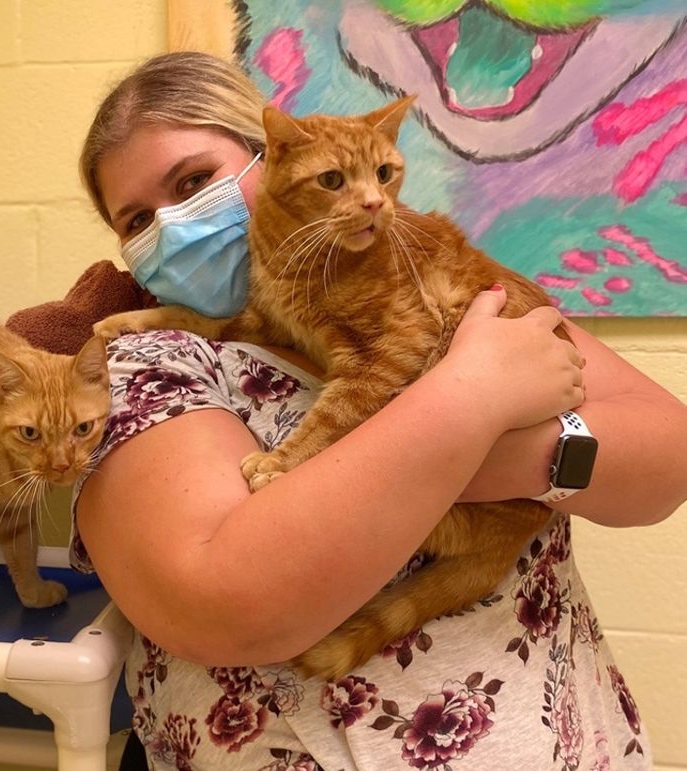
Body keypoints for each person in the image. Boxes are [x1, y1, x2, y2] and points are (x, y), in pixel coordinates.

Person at [73, 52, 687, 770]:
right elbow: (227, 601)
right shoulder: (144, 364)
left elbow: (669, 451)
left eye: (194, 181)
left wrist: (540, 453)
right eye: (138, 218)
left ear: (267, 156)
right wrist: (473, 404)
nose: (175, 224)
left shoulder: (415, 253)